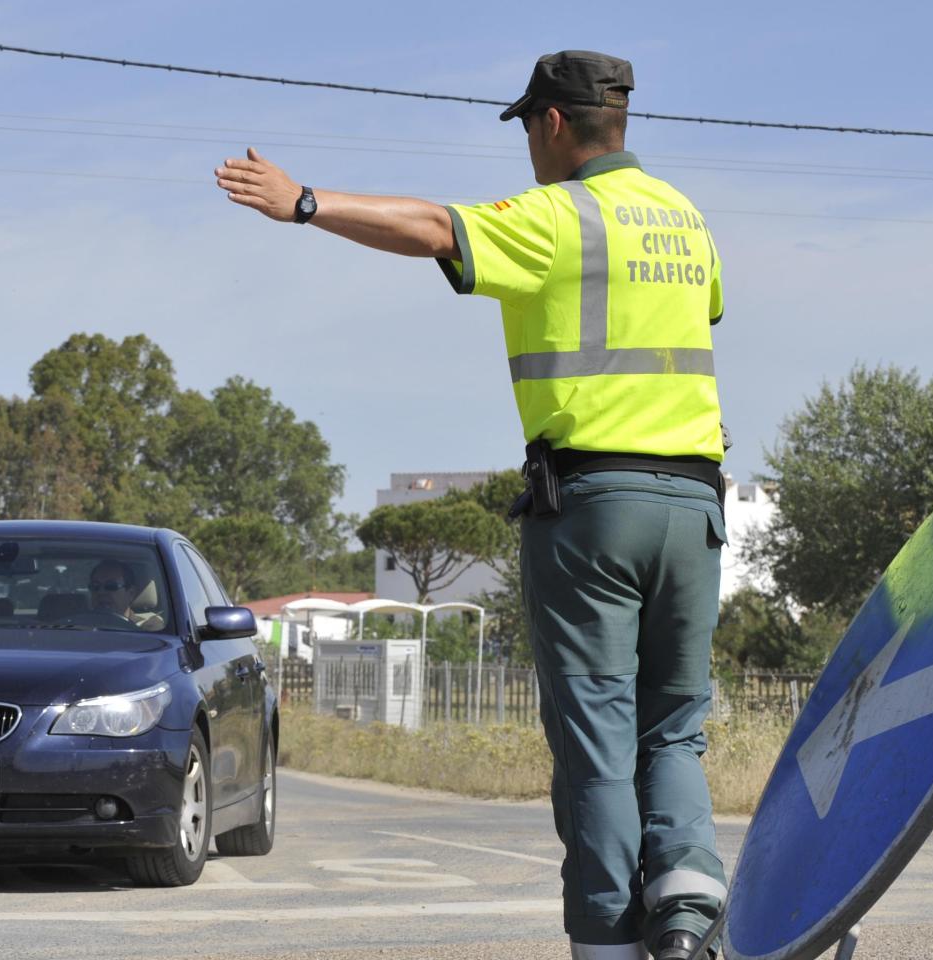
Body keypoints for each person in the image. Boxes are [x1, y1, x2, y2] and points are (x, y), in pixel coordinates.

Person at [213, 50, 727, 960]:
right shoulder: (687, 221)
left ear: (554, 123)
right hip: (695, 508)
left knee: (597, 737)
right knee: (673, 728)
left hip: (595, 508)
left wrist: (303, 202)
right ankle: (689, 907)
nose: (528, 144)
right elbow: (705, 312)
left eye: (528, 126)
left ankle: (609, 941)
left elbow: (434, 226)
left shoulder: (561, 216)